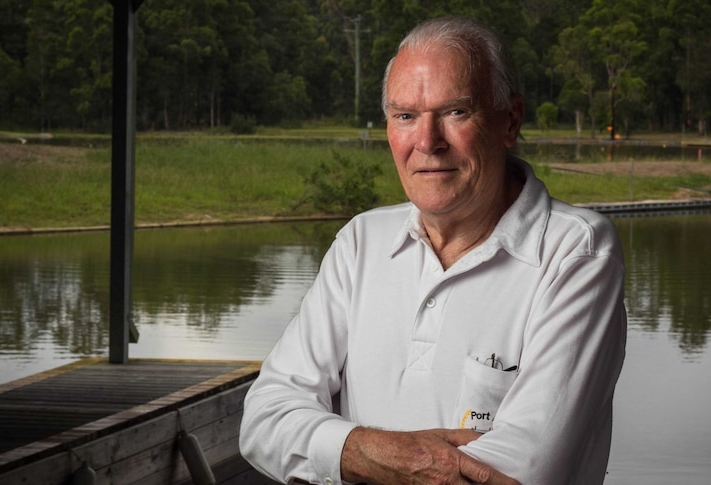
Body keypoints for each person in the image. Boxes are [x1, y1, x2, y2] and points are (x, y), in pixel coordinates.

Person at [240, 16, 627, 485]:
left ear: (510, 121)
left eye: (455, 112)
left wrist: (336, 449)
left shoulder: (576, 252)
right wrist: (388, 454)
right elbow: (263, 421)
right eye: (405, 116)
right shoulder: (361, 243)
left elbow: (524, 471)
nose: (427, 142)